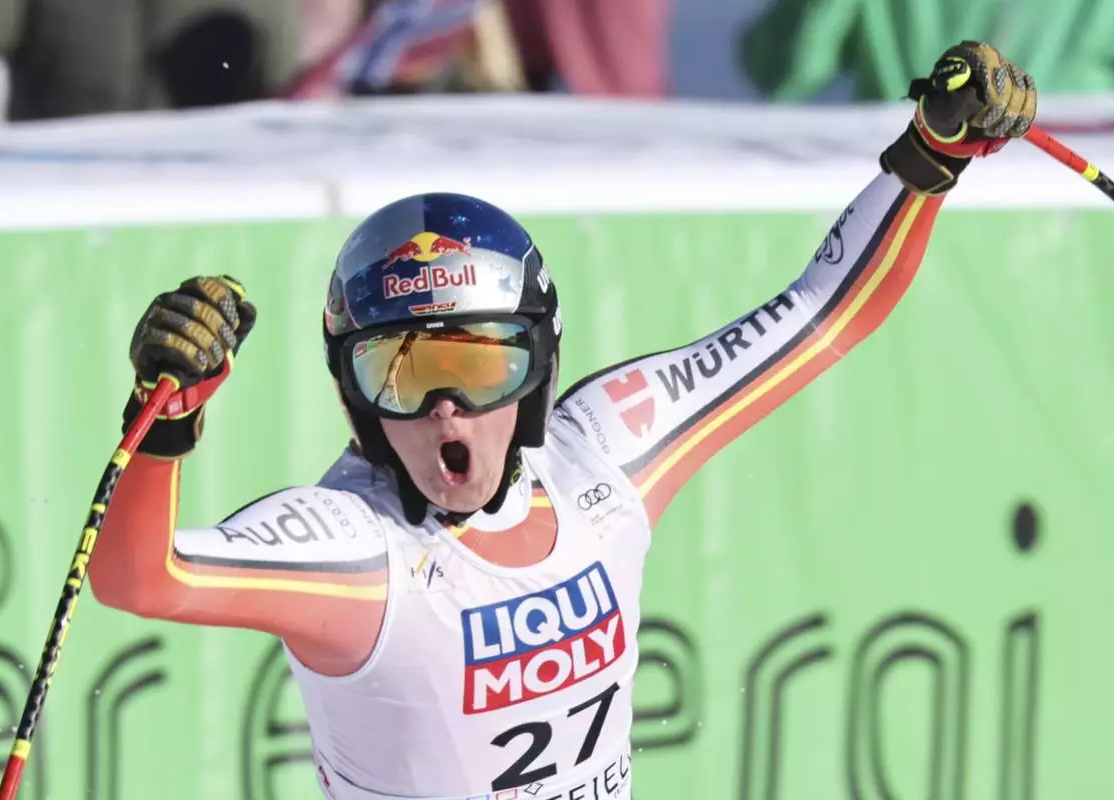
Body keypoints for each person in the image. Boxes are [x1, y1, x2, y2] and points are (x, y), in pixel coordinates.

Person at [89, 41, 1037, 800]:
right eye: (400, 375)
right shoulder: (358, 546)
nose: (444, 410)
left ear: (537, 368)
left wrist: (933, 154)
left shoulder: (605, 456)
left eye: (474, 365)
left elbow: (818, 319)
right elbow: (143, 578)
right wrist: (162, 424)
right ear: (353, 399)